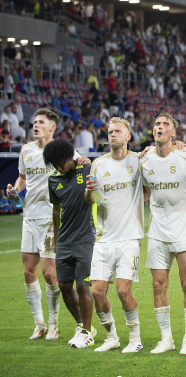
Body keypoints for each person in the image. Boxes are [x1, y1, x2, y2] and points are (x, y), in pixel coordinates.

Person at [141, 112, 186, 354]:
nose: (160, 127)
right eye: (157, 124)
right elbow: (145, 193)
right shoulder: (143, 160)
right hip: (157, 231)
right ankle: (166, 339)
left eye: (166, 124)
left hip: (185, 229)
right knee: (158, 285)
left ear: (174, 133)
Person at [88, 118, 145, 353]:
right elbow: (92, 199)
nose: (112, 135)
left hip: (130, 237)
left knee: (123, 290)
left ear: (128, 136)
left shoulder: (139, 161)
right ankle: (111, 336)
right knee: (96, 291)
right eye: (110, 131)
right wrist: (89, 194)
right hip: (104, 237)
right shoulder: (98, 165)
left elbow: (161, 153)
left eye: (117, 131)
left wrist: (178, 145)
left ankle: (135, 339)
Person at [9, 108, 62, 340]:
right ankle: (39, 324)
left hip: (51, 220)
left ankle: (54, 324)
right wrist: (15, 190)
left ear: (52, 128)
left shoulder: (61, 151)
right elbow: (22, 178)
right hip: (29, 218)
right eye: (34, 122)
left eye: (41, 122)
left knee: (49, 274)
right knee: (28, 272)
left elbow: (77, 170)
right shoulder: (26, 151)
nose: (35, 125)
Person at [45, 139, 95, 349]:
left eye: (61, 163)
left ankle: (87, 333)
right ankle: (83, 326)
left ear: (70, 158)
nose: (58, 168)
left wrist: (88, 162)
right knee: (64, 286)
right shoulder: (53, 179)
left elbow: (96, 199)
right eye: (54, 165)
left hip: (85, 238)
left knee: (83, 286)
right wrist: (56, 240)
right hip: (64, 241)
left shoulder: (87, 168)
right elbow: (56, 211)